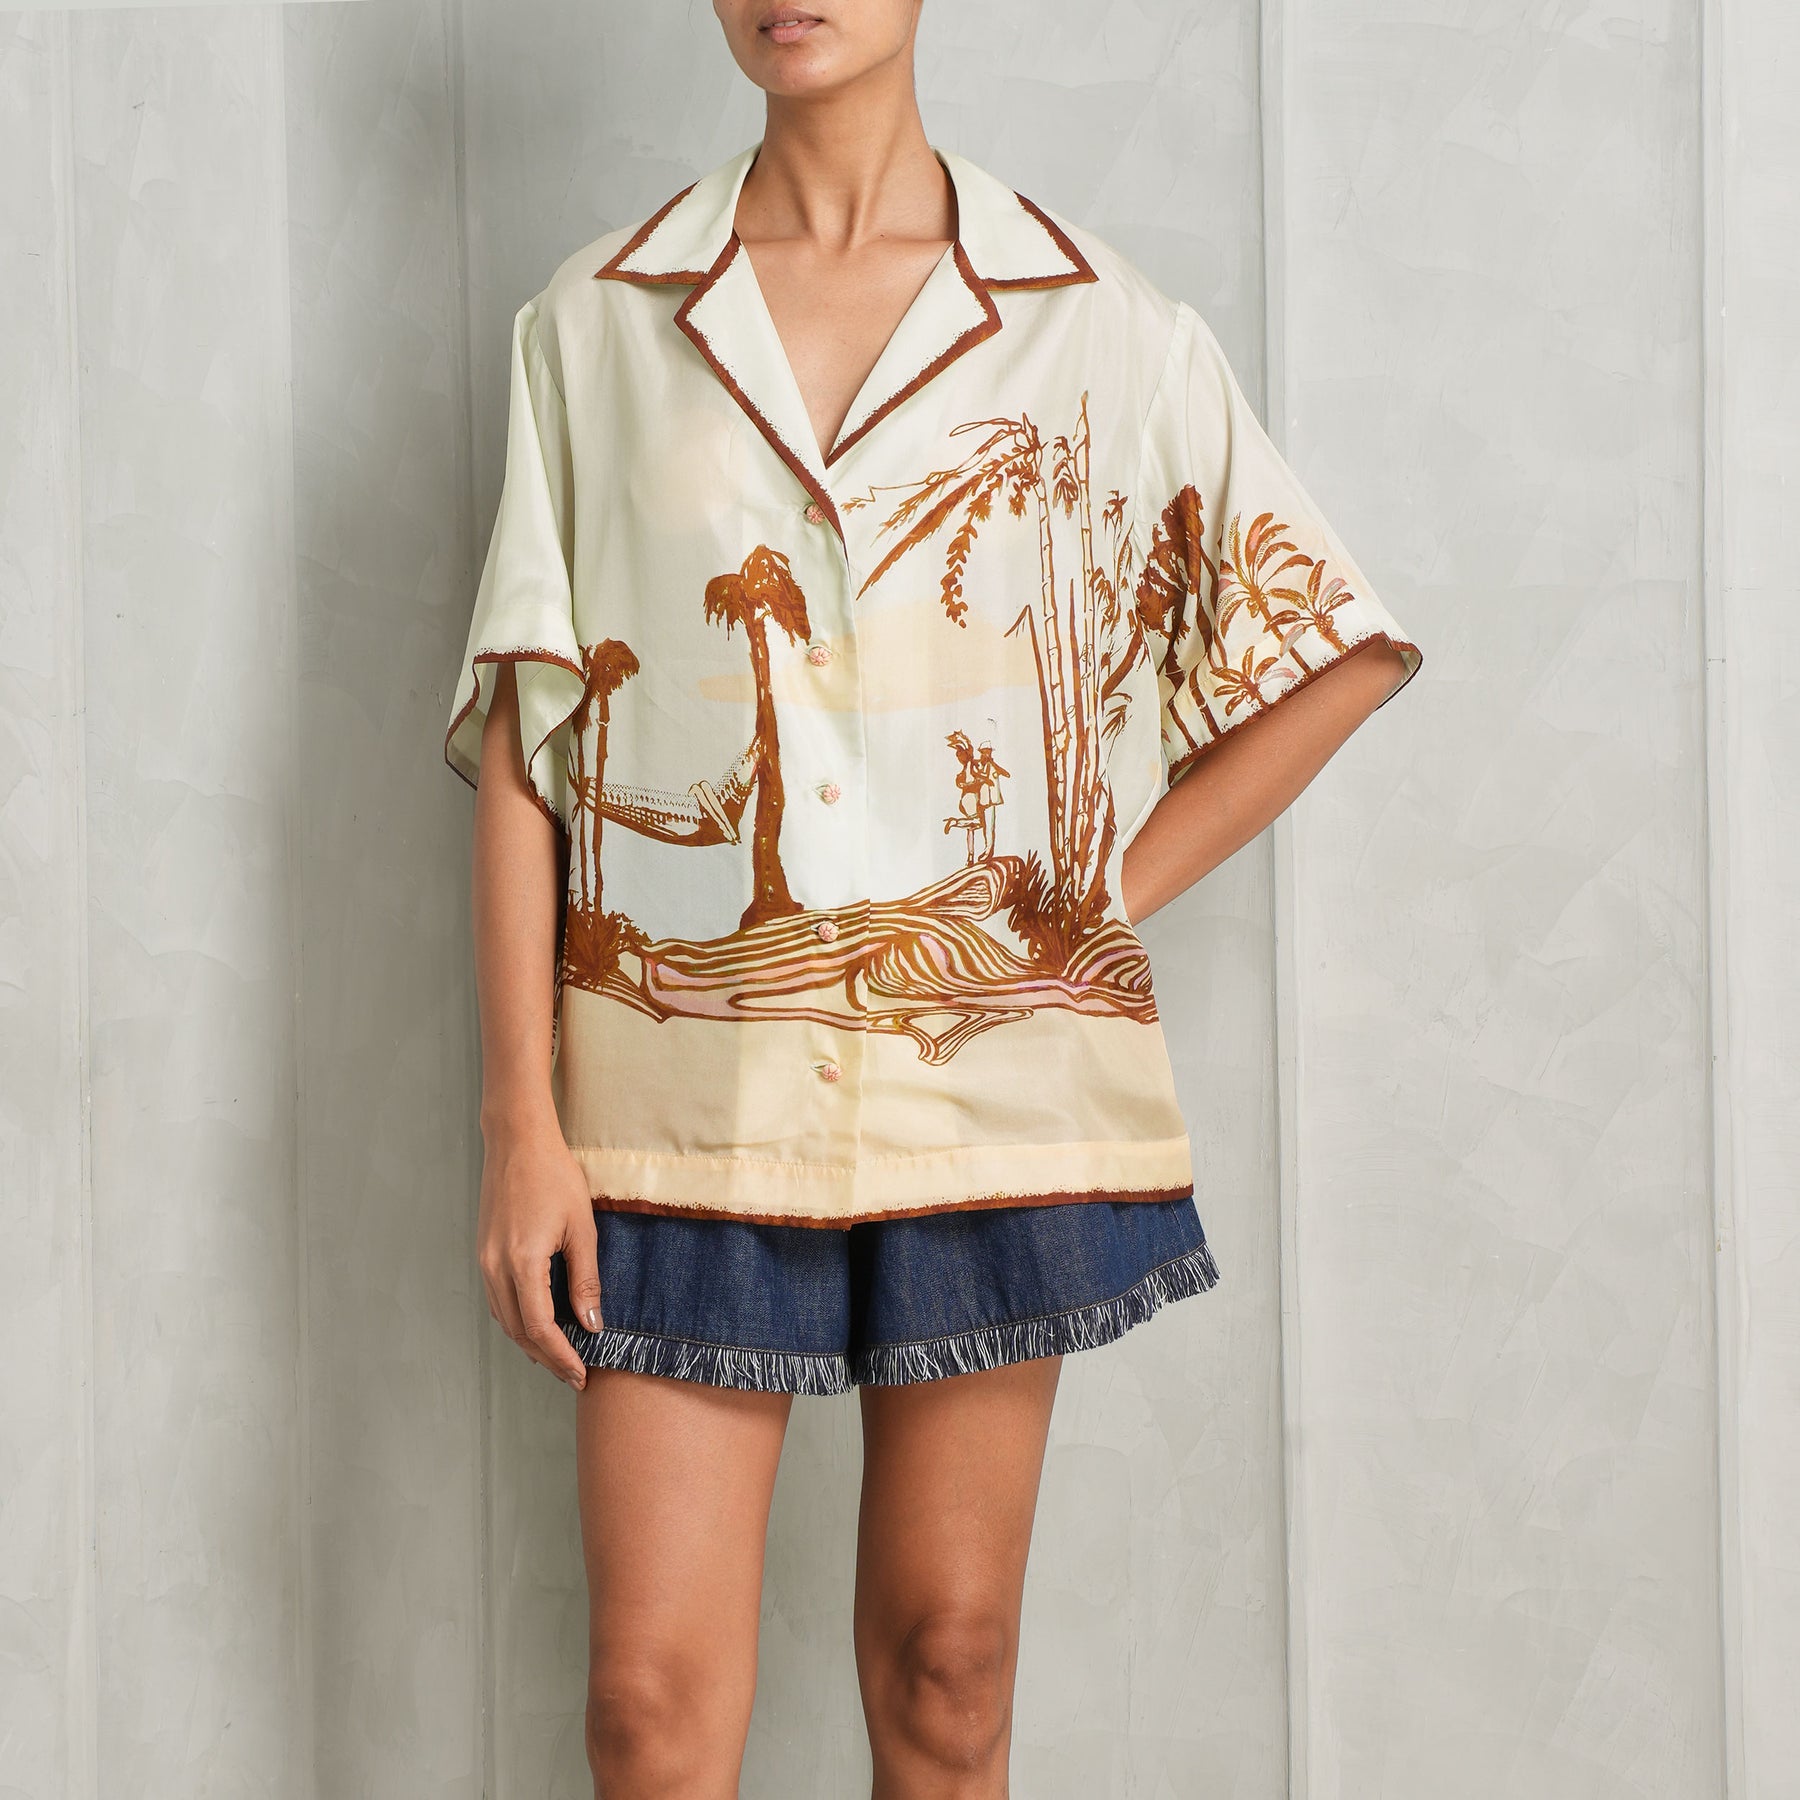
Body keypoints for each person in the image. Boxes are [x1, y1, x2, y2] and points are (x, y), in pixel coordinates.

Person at [447, 3, 1422, 1793]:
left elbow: (1329, 652)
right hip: (677, 1117)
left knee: (950, 1671)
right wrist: (523, 1121)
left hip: (989, 1105)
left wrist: (1084, 901)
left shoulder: (1096, 323)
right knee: (647, 1714)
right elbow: (528, 737)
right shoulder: (595, 323)